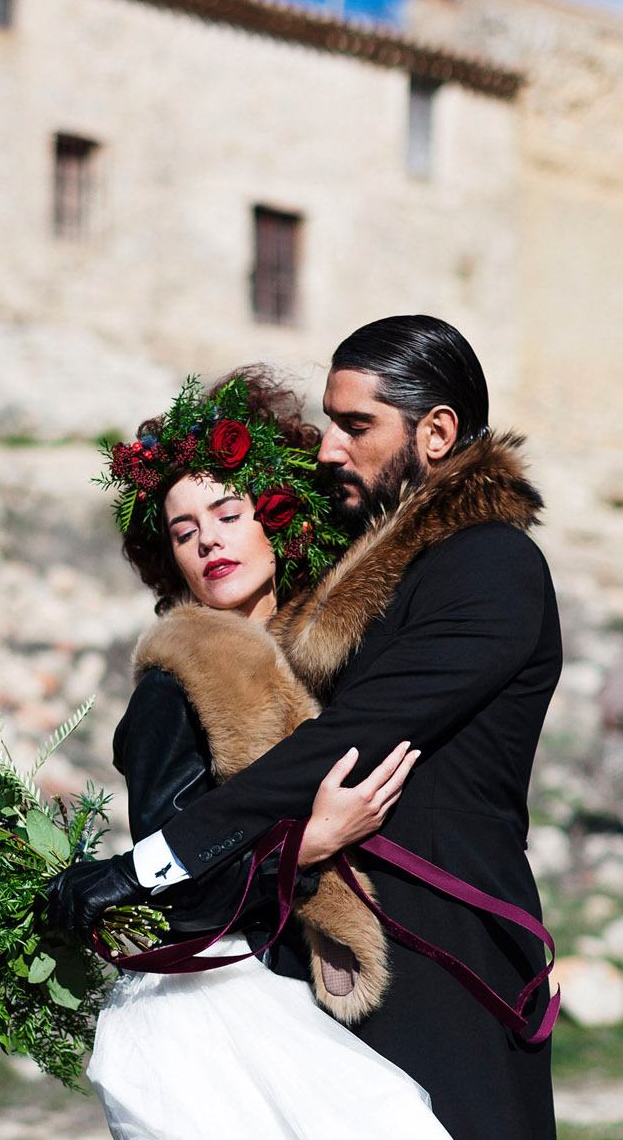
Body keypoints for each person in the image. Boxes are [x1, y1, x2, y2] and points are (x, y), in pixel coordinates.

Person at [48, 316, 562, 1140]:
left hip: (451, 960)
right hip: (344, 973)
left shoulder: (491, 565)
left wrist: (145, 866)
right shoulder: (348, 596)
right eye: (187, 530)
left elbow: (352, 736)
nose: (330, 449)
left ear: (435, 433)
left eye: (355, 425)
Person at [81, 370, 449, 1138]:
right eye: (184, 533)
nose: (209, 540)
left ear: (275, 517)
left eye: (226, 512)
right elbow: (177, 888)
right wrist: (309, 843)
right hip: (225, 1007)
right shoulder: (174, 684)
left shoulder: (336, 654)